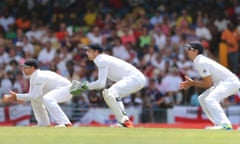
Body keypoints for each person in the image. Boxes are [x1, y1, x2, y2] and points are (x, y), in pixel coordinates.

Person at [70, 44, 146, 128]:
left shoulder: (101, 60)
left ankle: (125, 121)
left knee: (109, 93)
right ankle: (123, 122)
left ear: (96, 52)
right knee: (113, 94)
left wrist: (83, 86)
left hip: (134, 78)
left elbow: (101, 83)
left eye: (89, 51)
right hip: (136, 79)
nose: (87, 53)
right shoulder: (102, 59)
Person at [180, 41, 240, 130]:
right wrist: (193, 83)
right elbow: (209, 83)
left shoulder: (201, 61)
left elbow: (208, 84)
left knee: (210, 99)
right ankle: (218, 124)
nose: (187, 51)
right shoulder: (199, 60)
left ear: (195, 51)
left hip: (230, 82)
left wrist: (192, 83)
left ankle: (225, 124)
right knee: (202, 98)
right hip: (223, 82)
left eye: (189, 49)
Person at [2, 58, 73, 127]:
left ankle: (65, 123)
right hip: (57, 90)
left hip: (67, 89)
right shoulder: (33, 77)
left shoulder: (39, 76)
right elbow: (32, 96)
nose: (23, 70)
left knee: (47, 98)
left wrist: (16, 96)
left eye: (25, 68)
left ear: (32, 68)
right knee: (35, 100)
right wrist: (16, 97)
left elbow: (34, 95)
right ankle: (44, 124)